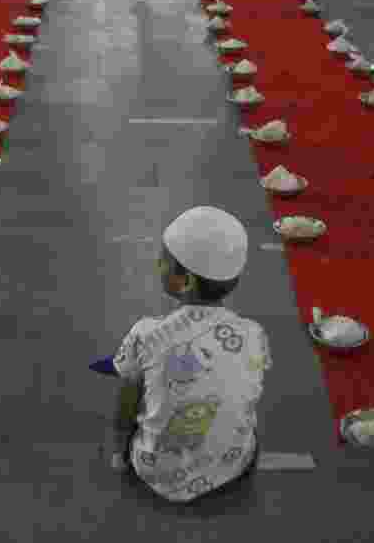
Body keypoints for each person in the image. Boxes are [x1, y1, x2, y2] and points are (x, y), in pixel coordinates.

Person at [108, 206, 272, 503]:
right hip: (232, 467)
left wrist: (121, 449)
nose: (158, 263)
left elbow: (126, 402)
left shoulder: (145, 333)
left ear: (184, 281)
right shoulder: (254, 333)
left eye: (164, 261)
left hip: (154, 472)